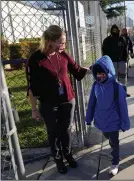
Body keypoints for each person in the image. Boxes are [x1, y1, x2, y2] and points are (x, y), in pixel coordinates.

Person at [26, 25, 91, 174]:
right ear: (49, 41)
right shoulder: (35, 59)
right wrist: (34, 109)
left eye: (64, 42)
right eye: (61, 42)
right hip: (49, 103)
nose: (63, 45)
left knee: (66, 130)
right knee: (53, 133)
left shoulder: (63, 54)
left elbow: (78, 70)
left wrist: (94, 69)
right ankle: (58, 160)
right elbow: (31, 87)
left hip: (68, 100)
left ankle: (67, 154)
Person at [85, 56, 130, 176]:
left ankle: (115, 163)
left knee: (114, 142)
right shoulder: (96, 86)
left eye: (102, 73)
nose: (100, 76)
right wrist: (88, 118)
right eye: (97, 73)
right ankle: (113, 147)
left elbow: (123, 107)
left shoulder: (117, 87)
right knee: (107, 136)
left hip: (114, 121)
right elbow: (92, 103)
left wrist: (125, 123)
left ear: (108, 72)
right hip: (102, 120)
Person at [102, 24, 131, 97]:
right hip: (112, 62)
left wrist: (125, 59)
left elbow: (125, 50)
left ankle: (123, 92)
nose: (115, 32)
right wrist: (107, 62)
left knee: (123, 78)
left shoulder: (122, 39)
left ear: (118, 31)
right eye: (113, 30)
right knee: (113, 78)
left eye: (116, 30)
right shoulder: (107, 40)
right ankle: (113, 93)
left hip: (121, 61)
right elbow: (104, 52)